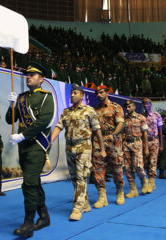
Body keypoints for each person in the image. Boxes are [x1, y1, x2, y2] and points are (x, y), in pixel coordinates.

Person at [6, 63, 54, 238]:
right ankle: (44, 216)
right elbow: (8, 120)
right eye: (27, 74)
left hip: (36, 146)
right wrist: (11, 105)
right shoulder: (21, 98)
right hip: (23, 148)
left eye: (33, 75)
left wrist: (23, 135)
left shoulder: (46, 97)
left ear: (41, 79)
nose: (28, 77)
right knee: (34, 182)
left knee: (28, 184)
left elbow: (43, 122)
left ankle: (28, 223)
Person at [50, 83, 106, 221]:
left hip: (84, 146)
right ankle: (85, 203)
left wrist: (102, 148)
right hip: (69, 147)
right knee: (74, 177)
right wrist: (50, 141)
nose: (72, 95)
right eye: (72, 93)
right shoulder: (66, 111)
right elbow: (58, 127)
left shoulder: (89, 110)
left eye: (75, 93)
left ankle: (77, 207)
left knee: (81, 177)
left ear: (81, 96)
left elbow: (97, 130)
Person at [91, 85, 125, 208]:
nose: (99, 95)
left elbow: (121, 123)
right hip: (98, 142)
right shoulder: (94, 110)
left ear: (107, 93)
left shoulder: (116, 107)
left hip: (113, 142)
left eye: (101, 93)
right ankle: (102, 196)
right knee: (98, 169)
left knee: (117, 168)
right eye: (97, 93)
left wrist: (114, 134)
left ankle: (120, 192)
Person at [122, 100, 150, 198]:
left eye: (129, 106)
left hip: (137, 143)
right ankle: (133, 189)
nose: (128, 108)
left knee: (138, 166)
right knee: (127, 167)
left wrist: (146, 148)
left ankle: (144, 182)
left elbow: (145, 134)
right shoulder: (123, 119)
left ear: (134, 107)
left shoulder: (141, 118)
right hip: (126, 144)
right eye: (127, 107)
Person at [142, 98, 163, 192]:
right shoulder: (140, 116)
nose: (145, 105)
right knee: (145, 162)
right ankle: (148, 179)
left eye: (147, 103)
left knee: (153, 161)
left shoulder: (157, 115)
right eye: (144, 104)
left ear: (151, 104)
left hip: (154, 141)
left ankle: (151, 181)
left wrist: (161, 144)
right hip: (143, 142)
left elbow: (160, 131)